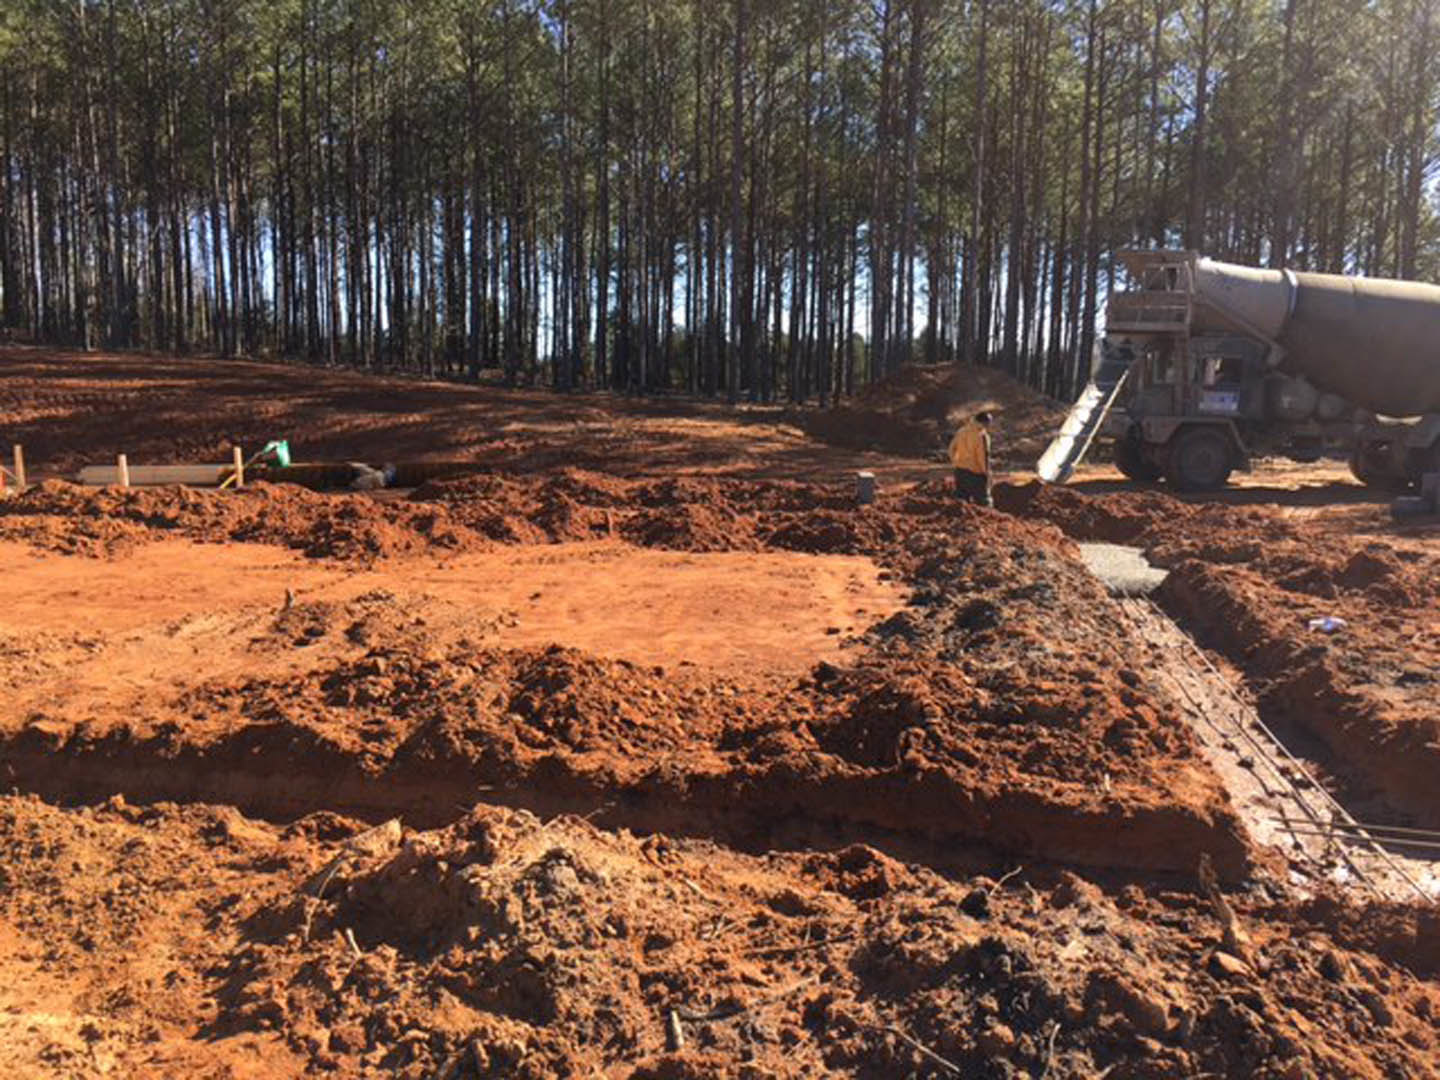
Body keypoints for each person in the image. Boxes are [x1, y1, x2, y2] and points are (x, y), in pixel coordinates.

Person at [948, 411, 993, 506]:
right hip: (975, 474)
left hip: (960, 472)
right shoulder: (982, 436)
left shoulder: (961, 431)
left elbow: (951, 449)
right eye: (988, 423)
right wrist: (987, 474)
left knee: (961, 505)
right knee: (984, 503)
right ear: (984, 423)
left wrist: (956, 462)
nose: (989, 426)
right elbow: (983, 457)